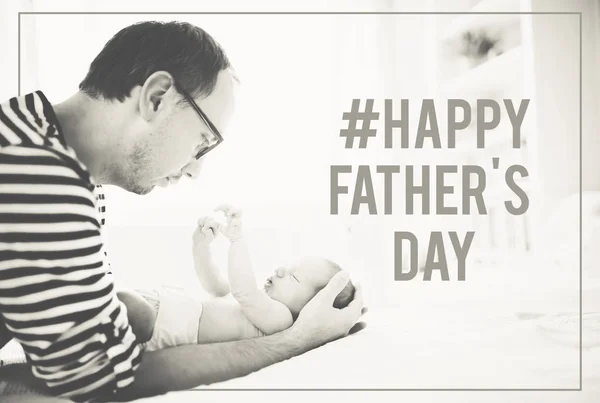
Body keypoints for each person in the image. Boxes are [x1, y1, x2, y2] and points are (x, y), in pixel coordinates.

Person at [0, 20, 366, 402]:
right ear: (157, 97)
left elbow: (81, 355)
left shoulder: (35, 140)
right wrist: (296, 340)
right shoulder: (38, 171)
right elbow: (103, 381)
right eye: (203, 142)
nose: (195, 169)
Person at [117, 205, 356, 350]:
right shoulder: (258, 308)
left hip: (169, 326)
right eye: (288, 266)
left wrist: (237, 241)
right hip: (167, 308)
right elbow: (213, 285)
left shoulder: (282, 320)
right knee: (117, 304)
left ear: (309, 308)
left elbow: (244, 291)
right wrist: (200, 248)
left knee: (124, 305)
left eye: (293, 278)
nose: (281, 270)